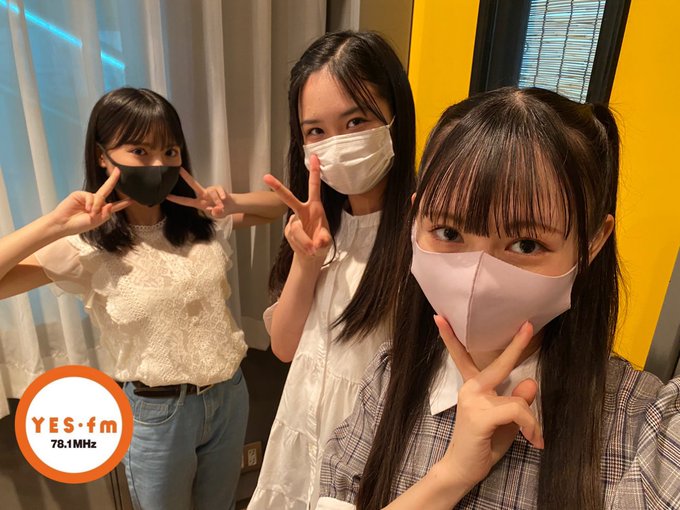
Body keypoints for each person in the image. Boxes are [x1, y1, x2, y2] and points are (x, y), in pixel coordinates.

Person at [317, 87, 680, 509]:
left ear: (593, 243)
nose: (479, 277)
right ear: (415, 219)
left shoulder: (644, 425)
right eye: (449, 232)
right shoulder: (388, 377)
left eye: (526, 244)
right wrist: (449, 477)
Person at [0, 87, 286, 510]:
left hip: (229, 395)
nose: (158, 164)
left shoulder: (199, 224)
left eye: (170, 151)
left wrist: (227, 203)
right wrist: (55, 225)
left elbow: (277, 206)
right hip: (158, 414)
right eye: (139, 150)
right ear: (102, 157)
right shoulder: (87, 247)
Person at [247, 31, 416, 510]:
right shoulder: (315, 224)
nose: (336, 143)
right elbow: (284, 347)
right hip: (299, 437)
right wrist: (307, 262)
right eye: (316, 131)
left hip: (371, 452)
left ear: (395, 118)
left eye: (356, 121)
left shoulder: (427, 231)